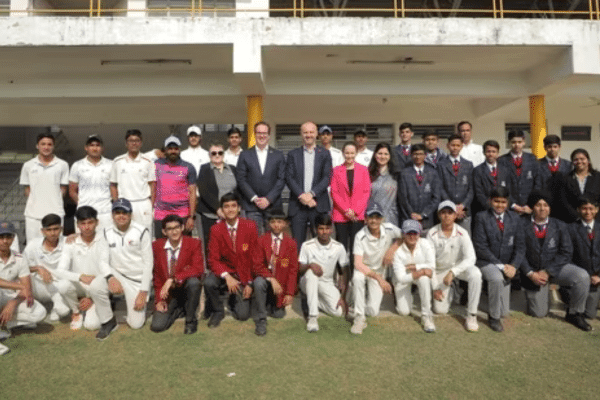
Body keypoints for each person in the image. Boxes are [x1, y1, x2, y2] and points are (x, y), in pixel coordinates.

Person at [520, 191, 591, 331]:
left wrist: (548, 271)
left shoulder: (560, 225)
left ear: (550, 208)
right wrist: (530, 274)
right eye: (538, 205)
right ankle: (540, 293)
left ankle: (574, 313)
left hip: (555, 269)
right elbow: (519, 253)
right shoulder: (521, 225)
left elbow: (566, 252)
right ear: (532, 207)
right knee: (539, 313)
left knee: (582, 276)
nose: (542, 208)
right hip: (533, 273)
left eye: (545, 205)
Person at [54, 206, 116, 340]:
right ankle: (76, 311)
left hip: (97, 287)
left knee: (91, 325)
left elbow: (104, 266)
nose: (87, 227)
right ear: (77, 225)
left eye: (90, 223)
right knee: (62, 285)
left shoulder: (103, 240)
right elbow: (59, 271)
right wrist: (80, 276)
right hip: (80, 285)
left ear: (97, 223)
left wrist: (92, 298)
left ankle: (95, 304)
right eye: (83, 223)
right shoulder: (70, 242)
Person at [473, 187, 525, 332]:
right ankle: (493, 318)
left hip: (508, 265)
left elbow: (520, 247)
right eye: (496, 201)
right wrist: (502, 267)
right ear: (490, 201)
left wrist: (513, 266)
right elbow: (480, 247)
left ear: (508, 203)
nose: (500, 205)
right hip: (486, 261)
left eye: (503, 202)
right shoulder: (481, 217)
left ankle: (484, 301)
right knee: (496, 279)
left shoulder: (515, 218)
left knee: (505, 312)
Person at [204, 193, 257, 328]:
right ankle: (218, 310)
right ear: (222, 210)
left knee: (243, 316)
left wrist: (250, 283)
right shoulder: (216, 229)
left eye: (233, 206)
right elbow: (213, 259)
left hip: (243, 274)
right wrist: (227, 276)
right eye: (226, 207)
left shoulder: (250, 226)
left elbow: (255, 258)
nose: (230, 209)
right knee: (209, 282)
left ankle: (234, 298)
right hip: (225, 273)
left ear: (239, 208)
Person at [427, 201, 481, 332]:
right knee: (440, 310)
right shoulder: (432, 233)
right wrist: (435, 287)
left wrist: (453, 272)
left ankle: (472, 315)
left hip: (458, 269)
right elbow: (430, 264)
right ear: (439, 215)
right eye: (443, 213)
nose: (447, 216)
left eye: (450, 213)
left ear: (455, 215)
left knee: (476, 274)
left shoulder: (463, 232)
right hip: (440, 270)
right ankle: (450, 290)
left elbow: (471, 258)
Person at [351, 203, 402, 334]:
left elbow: (404, 236)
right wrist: (380, 279)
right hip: (364, 270)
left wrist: (392, 249)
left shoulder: (390, 228)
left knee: (373, 312)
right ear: (366, 219)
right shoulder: (360, 236)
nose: (374, 220)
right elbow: (358, 264)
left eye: (377, 217)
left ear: (382, 219)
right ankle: (359, 318)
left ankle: (355, 303)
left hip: (379, 271)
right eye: (370, 217)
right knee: (357, 278)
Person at [104, 199, 153, 330]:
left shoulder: (142, 231)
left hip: (135, 280)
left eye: (124, 212)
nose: (121, 216)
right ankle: (103, 311)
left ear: (131, 214)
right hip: (116, 275)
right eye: (117, 212)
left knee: (136, 324)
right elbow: (102, 261)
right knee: (97, 282)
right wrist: (110, 278)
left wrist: (143, 292)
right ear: (112, 215)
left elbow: (149, 264)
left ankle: (134, 304)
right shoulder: (105, 232)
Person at [150, 214, 203, 334]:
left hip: (186, 287)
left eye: (177, 227)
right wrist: (159, 300)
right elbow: (157, 276)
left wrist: (173, 279)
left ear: (182, 228)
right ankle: (179, 309)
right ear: (164, 231)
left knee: (194, 282)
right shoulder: (157, 246)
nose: (174, 232)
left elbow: (198, 269)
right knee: (157, 326)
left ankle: (190, 321)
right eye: (170, 229)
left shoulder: (194, 243)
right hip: (169, 293)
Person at [0, 221, 47, 355]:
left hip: (11, 297)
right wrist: (19, 286)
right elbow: (22, 286)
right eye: (1, 237)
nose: (4, 241)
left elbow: (27, 288)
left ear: (13, 238)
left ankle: (4, 325)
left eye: (8, 237)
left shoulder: (20, 258)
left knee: (39, 313)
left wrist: (12, 302)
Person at [298, 214, 349, 332]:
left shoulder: (338, 247)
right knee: (312, 273)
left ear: (331, 229)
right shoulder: (307, 245)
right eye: (321, 228)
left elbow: (345, 271)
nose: (324, 232)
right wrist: (310, 265)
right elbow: (299, 269)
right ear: (316, 229)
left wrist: (343, 297)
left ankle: (312, 301)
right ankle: (313, 317)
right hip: (307, 281)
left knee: (338, 312)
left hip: (327, 282)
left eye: (327, 228)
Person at [285, 121, 332, 248]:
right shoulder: (292, 154)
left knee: (321, 244)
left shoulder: (325, 154)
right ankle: (299, 268)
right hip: (297, 206)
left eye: (311, 132)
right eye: (305, 132)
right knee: (297, 245)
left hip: (318, 205)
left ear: (316, 134)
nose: (308, 135)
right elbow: (289, 177)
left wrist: (311, 194)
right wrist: (302, 195)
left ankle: (319, 268)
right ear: (301, 134)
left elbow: (327, 178)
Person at [252, 212, 298, 336]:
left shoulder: (291, 243)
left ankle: (269, 304)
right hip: (267, 281)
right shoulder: (262, 240)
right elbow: (257, 266)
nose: (276, 225)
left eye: (279, 222)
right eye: (273, 222)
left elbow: (293, 270)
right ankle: (261, 319)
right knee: (258, 282)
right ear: (268, 224)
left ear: (285, 224)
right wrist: (272, 279)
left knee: (279, 315)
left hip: (280, 287)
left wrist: (289, 293)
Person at [236, 121, 286, 236]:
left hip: (273, 205)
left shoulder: (278, 155)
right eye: (259, 133)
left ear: (269, 135)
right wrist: (254, 198)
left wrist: (268, 199)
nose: (262, 136)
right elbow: (241, 179)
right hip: (252, 206)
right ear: (254, 134)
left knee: (273, 240)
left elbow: (281, 179)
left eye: (264, 133)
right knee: (253, 240)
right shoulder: (245, 154)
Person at [19, 132, 69, 242]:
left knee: (57, 246)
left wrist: (55, 202)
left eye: (49, 144)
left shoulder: (62, 165)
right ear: (37, 146)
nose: (46, 147)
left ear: (53, 146)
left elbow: (63, 189)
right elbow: (27, 189)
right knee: (33, 247)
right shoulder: (28, 165)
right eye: (43, 144)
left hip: (56, 213)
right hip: (33, 215)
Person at [23, 214, 71, 322]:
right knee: (27, 277)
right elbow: (22, 266)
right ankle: (54, 303)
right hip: (41, 287)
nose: (53, 233)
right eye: (48, 230)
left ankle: (56, 306)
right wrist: (38, 268)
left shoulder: (68, 242)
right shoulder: (33, 245)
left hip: (61, 286)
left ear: (61, 229)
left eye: (56, 229)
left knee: (66, 284)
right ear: (42, 231)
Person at [392, 219, 436, 332]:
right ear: (403, 235)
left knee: (425, 279)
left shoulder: (426, 244)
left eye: (414, 233)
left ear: (419, 234)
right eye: (409, 233)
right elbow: (401, 277)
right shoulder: (398, 252)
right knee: (404, 311)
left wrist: (416, 267)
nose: (412, 237)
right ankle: (405, 298)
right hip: (403, 279)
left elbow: (431, 267)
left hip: (416, 275)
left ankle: (427, 315)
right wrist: (421, 271)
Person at [110, 129, 156, 234]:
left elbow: (152, 185)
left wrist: (151, 205)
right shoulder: (117, 161)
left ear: (141, 143)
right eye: (131, 140)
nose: (134, 143)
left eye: (137, 140)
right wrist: (116, 202)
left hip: (143, 204)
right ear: (126, 144)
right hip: (124, 203)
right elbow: (113, 185)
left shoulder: (148, 161)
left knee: (145, 234)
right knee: (124, 235)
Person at [153, 135, 197, 238]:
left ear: (179, 150)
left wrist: (191, 217)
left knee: (184, 248)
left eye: (176, 148)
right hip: (161, 214)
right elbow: (153, 188)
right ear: (165, 150)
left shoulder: (188, 167)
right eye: (170, 148)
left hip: (182, 214)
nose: (173, 151)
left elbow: (192, 192)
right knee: (161, 247)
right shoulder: (156, 165)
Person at [330, 142, 371, 254]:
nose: (349, 156)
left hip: (357, 215)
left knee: (356, 247)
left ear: (356, 153)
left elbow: (366, 192)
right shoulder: (336, 170)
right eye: (347, 153)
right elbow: (334, 192)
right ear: (343, 153)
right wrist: (346, 210)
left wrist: (355, 211)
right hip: (340, 214)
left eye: (352, 153)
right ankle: (341, 271)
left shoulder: (363, 170)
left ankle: (355, 270)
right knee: (341, 246)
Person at [197, 143, 238, 250]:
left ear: (223, 154)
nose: (217, 155)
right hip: (211, 215)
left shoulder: (232, 169)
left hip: (231, 214)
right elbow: (203, 191)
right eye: (213, 153)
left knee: (229, 245)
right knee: (211, 246)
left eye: (220, 152)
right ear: (209, 155)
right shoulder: (204, 169)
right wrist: (218, 209)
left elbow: (238, 190)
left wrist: (237, 208)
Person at [69, 134, 113, 231]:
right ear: (86, 148)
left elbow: (114, 188)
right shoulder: (77, 165)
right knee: (83, 243)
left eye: (97, 145)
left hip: (105, 213)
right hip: (84, 214)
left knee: (107, 242)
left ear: (102, 148)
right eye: (92, 145)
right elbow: (72, 191)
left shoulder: (111, 165)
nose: (95, 148)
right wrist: (82, 204)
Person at [569, 197, 600, 320]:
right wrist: (583, 275)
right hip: (580, 276)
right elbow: (567, 255)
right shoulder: (570, 229)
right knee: (581, 311)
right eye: (584, 209)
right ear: (578, 210)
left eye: (591, 208)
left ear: (597, 210)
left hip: (597, 278)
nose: (588, 212)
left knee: (590, 315)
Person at [398, 143, 441, 231]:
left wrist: (423, 214)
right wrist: (411, 214)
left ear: (425, 155)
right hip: (409, 218)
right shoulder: (404, 173)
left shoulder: (432, 173)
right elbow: (403, 198)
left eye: (421, 154)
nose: (418, 157)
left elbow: (436, 198)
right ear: (411, 155)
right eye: (415, 154)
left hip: (427, 220)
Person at [437, 134, 474, 233]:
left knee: (464, 239)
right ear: (448, 146)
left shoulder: (468, 164)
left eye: (458, 145)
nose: (455, 148)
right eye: (453, 145)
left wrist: (463, 205)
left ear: (462, 146)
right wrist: (452, 206)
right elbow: (440, 187)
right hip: (447, 210)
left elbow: (471, 189)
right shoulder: (441, 164)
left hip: (464, 211)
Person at [499, 130, 541, 215]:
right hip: (509, 209)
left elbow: (537, 183)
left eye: (519, 142)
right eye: (513, 142)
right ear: (509, 143)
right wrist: (513, 205)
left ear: (524, 142)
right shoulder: (501, 160)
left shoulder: (532, 159)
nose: (516, 145)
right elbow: (501, 186)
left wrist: (531, 204)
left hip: (529, 208)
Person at [472, 140, 510, 215]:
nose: (491, 154)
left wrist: (502, 206)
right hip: (484, 210)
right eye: (488, 151)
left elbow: (509, 190)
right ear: (484, 153)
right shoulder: (477, 170)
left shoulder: (505, 170)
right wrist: (492, 207)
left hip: (503, 210)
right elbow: (479, 193)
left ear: (498, 153)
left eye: (493, 151)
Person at [562, 149, 600, 223]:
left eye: (582, 159)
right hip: (573, 220)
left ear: (588, 160)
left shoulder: (598, 177)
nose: (579, 162)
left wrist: (593, 215)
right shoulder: (566, 178)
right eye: (576, 160)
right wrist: (577, 216)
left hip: (596, 220)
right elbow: (564, 201)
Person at [368, 142, 400, 226]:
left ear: (390, 156)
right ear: (375, 155)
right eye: (380, 153)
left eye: (386, 154)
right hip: (373, 218)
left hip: (391, 219)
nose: (383, 156)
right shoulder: (367, 174)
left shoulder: (396, 175)